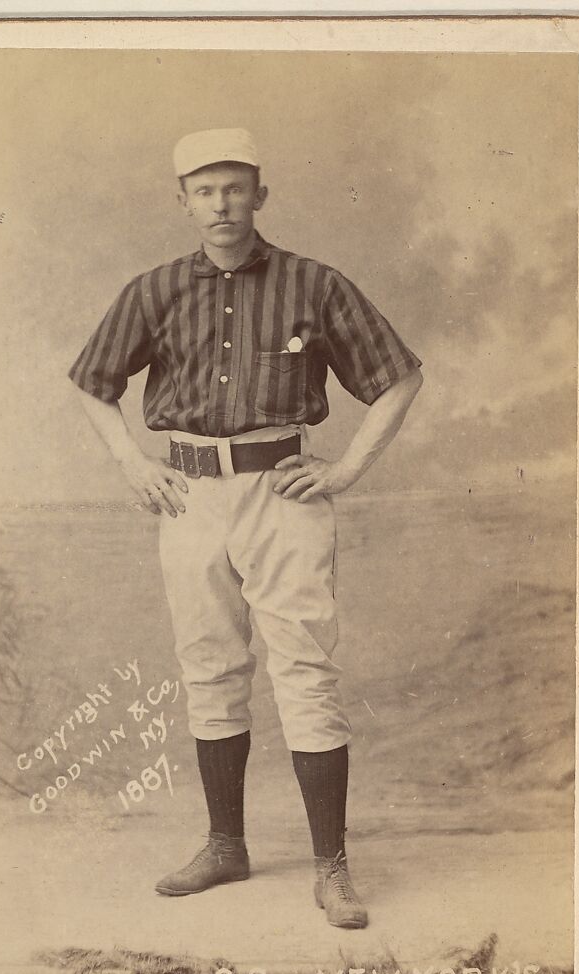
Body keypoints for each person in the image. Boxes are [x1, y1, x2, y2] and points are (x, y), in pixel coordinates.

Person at [69, 128, 423, 929]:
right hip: (189, 496)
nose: (221, 204)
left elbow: (399, 377)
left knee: (302, 668)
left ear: (260, 194)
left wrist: (343, 471)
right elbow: (92, 384)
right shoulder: (155, 289)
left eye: (235, 188)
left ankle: (330, 866)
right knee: (209, 666)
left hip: (282, 492)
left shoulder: (312, 284)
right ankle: (225, 844)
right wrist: (132, 464)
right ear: (184, 200)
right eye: (204, 189)